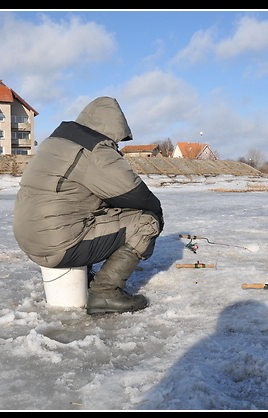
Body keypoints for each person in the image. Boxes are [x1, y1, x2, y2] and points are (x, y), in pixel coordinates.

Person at [13, 97, 163, 315]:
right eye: (117, 139)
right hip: (60, 245)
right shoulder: (94, 150)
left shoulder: (54, 143)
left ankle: (87, 277)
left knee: (91, 210)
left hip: (31, 240)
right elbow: (134, 193)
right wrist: (158, 213)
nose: (117, 144)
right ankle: (105, 293)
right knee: (146, 222)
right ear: (112, 127)